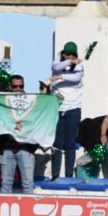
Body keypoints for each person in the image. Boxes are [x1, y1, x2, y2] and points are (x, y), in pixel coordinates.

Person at [40, 42, 86, 183]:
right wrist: (69, 62)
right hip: (58, 108)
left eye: (73, 54)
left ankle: (68, 174)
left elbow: (76, 78)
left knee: (70, 143)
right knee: (57, 142)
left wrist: (60, 77)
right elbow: (56, 67)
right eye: (67, 54)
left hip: (73, 109)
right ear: (63, 54)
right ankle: (55, 174)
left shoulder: (79, 67)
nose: (70, 56)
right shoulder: (57, 64)